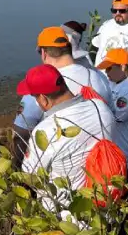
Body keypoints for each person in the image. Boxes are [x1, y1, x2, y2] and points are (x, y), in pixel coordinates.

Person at [19, 64, 115, 213]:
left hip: (66, 217)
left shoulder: (45, 130)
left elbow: (29, 176)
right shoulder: (101, 108)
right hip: (105, 204)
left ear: (43, 99)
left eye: (35, 98)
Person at [13, 27, 112, 165]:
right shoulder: (98, 77)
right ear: (70, 49)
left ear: (43, 53)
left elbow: (21, 134)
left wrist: (16, 165)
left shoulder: (41, 86)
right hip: (100, 163)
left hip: (62, 166)